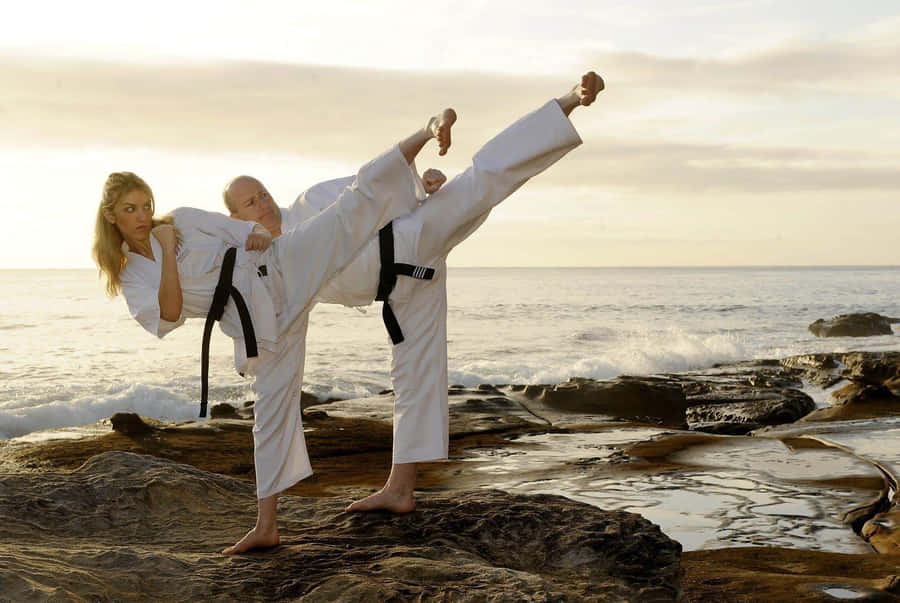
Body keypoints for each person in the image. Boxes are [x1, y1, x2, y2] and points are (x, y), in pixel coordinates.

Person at [223, 71, 604, 519]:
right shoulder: (266, 267)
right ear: (234, 216)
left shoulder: (308, 203)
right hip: (404, 292)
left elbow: (372, 185)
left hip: (411, 240)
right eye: (250, 203)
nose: (263, 203)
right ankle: (400, 490)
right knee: (414, 375)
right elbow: (262, 325)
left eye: (263, 194)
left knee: (484, 179)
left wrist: (423, 183)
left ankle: (569, 100)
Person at [92, 107, 457, 555]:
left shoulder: (183, 219)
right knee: (270, 415)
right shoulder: (130, 276)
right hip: (257, 325)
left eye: (147, 204)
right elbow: (168, 315)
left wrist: (258, 234)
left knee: (351, 208)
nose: (144, 215)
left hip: (278, 272)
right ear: (112, 217)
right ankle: (266, 526)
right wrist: (168, 253)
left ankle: (426, 130)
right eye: (131, 209)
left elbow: (239, 230)